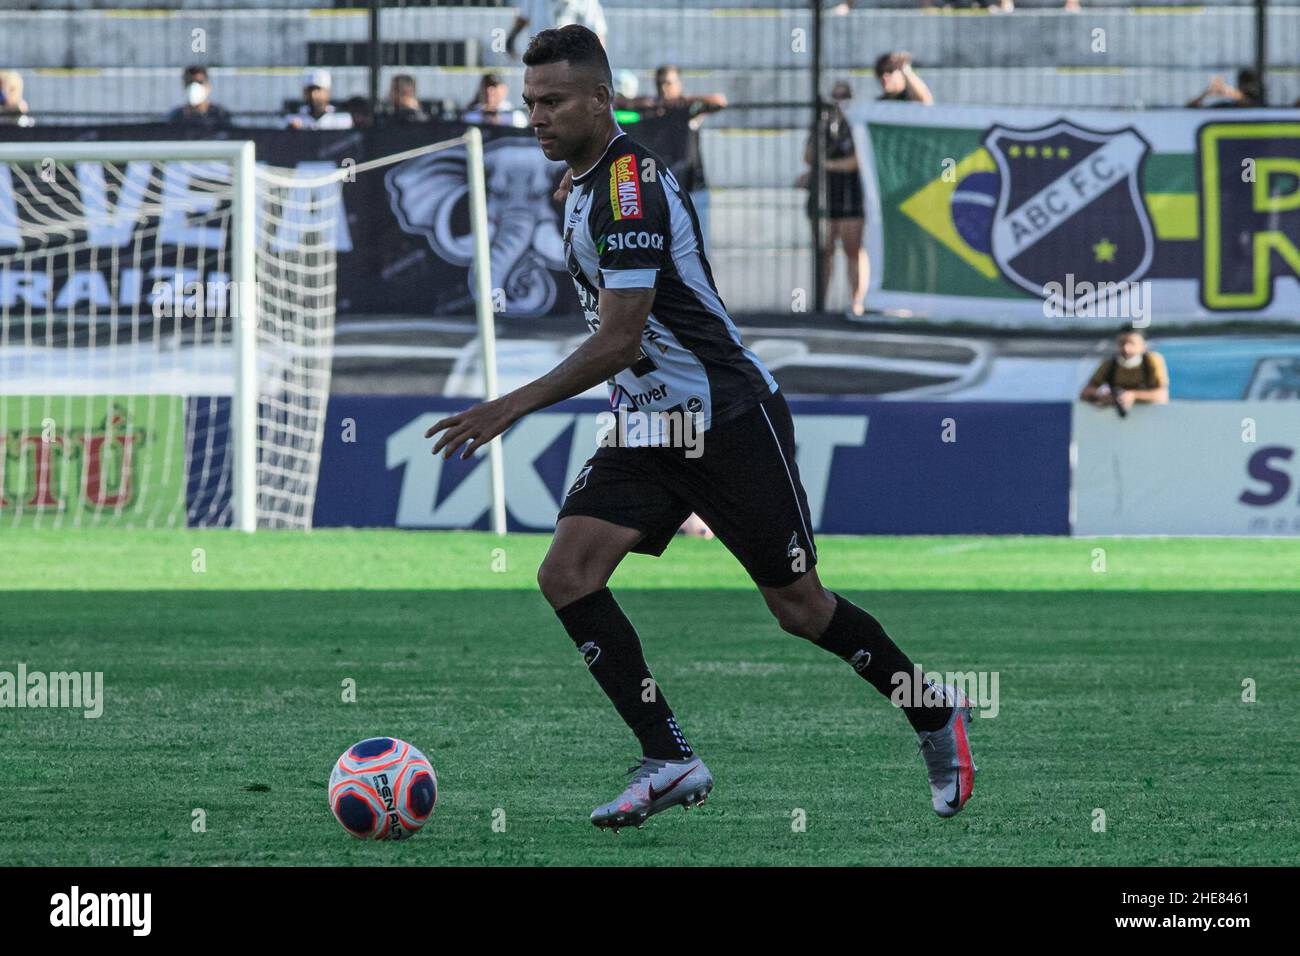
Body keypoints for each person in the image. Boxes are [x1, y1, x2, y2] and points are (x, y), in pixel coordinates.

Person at [425, 25, 976, 832]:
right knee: (567, 574)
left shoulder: (626, 189)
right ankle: (668, 755)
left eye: (551, 101)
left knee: (800, 609)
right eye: (529, 101)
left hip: (726, 420)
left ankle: (931, 711)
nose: (534, 116)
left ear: (600, 99)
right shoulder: (580, 182)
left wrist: (511, 404)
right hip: (647, 430)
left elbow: (619, 338)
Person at [623, 64, 726, 250]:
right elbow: (618, 110)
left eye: (669, 83)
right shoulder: (651, 110)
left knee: (697, 250)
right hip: (661, 193)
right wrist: (649, 104)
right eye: (660, 84)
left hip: (692, 189)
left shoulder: (688, 108)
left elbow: (719, 101)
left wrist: (682, 101)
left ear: (679, 84)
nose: (664, 88)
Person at [800, 80, 868, 316]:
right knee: (824, 251)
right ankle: (821, 303)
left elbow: (858, 161)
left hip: (851, 196)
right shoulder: (821, 124)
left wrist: (826, 165)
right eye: (835, 96)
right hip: (824, 197)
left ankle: (857, 302)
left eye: (844, 96)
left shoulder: (858, 124)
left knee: (853, 249)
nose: (839, 101)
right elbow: (808, 156)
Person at [1079, 325, 1170, 416]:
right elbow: (1085, 393)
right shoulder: (1110, 364)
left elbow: (1162, 395)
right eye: (1122, 343)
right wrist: (1104, 397)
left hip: (1150, 419)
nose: (1126, 348)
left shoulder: (1151, 361)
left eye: (1132, 343)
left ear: (1143, 346)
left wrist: (1133, 396)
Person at [506, 0, 606, 59]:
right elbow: (523, 17)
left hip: (571, 59)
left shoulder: (587, 2)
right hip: (540, 55)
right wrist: (511, 40)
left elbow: (596, 33)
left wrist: (596, 60)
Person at [284, 69, 353, 130]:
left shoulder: (342, 119)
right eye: (309, 90)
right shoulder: (292, 118)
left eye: (318, 90)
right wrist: (290, 130)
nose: (313, 95)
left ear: (327, 92)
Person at [166, 66, 232, 130]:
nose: (194, 86)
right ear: (184, 86)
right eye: (190, 82)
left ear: (208, 86)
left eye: (200, 82)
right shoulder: (176, 117)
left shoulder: (220, 115)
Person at [461, 74, 528, 127]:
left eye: (494, 86)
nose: (489, 91)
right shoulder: (470, 116)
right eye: (486, 86)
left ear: (504, 89)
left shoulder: (514, 116)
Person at [1187, 69, 1263, 108]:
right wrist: (1207, 93)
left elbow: (1249, 103)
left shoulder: (1261, 107)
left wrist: (1226, 91)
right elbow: (1191, 106)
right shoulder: (1227, 107)